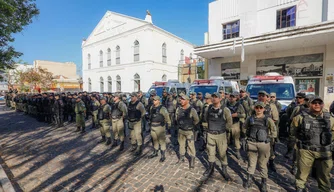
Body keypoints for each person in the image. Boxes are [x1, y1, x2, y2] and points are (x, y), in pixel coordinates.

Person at [290, 96, 334, 192]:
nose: (317, 105)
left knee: (324, 177)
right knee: (301, 175)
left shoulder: (330, 119)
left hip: (324, 152)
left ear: (322, 104)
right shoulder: (300, 117)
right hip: (306, 151)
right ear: (310, 104)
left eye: (319, 103)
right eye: (314, 103)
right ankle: (300, 189)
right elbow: (293, 132)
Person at [242, 102, 277, 192]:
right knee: (251, 163)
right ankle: (249, 179)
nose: (258, 109)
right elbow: (244, 127)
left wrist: (269, 138)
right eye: (257, 107)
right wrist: (246, 137)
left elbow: (274, 131)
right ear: (254, 108)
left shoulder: (267, 119)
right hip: (252, 143)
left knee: (262, 164)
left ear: (264, 109)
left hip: (263, 144)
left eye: (260, 108)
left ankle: (263, 182)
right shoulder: (250, 118)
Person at [202, 92, 232, 181]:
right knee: (210, 152)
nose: (214, 98)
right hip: (210, 134)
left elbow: (229, 123)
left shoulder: (225, 110)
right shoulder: (208, 109)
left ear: (220, 99)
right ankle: (210, 169)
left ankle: (224, 170)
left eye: (216, 97)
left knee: (222, 153)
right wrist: (207, 129)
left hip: (221, 135)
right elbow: (205, 119)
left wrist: (222, 129)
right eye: (213, 97)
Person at [175, 93, 199, 169]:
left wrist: (191, 126)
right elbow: (176, 118)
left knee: (191, 145)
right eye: (180, 99)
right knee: (181, 144)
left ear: (187, 101)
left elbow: (196, 120)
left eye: (183, 99)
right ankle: (181, 158)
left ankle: (192, 160)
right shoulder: (178, 109)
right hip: (181, 130)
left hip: (189, 131)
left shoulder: (192, 110)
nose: (181, 100)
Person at [148, 96, 171, 162]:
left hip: (160, 127)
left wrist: (169, 124)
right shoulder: (152, 107)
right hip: (153, 126)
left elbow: (167, 117)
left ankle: (163, 155)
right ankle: (155, 152)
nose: (154, 101)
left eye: (155, 100)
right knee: (154, 140)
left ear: (158, 101)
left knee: (162, 141)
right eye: (153, 100)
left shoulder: (162, 108)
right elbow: (151, 115)